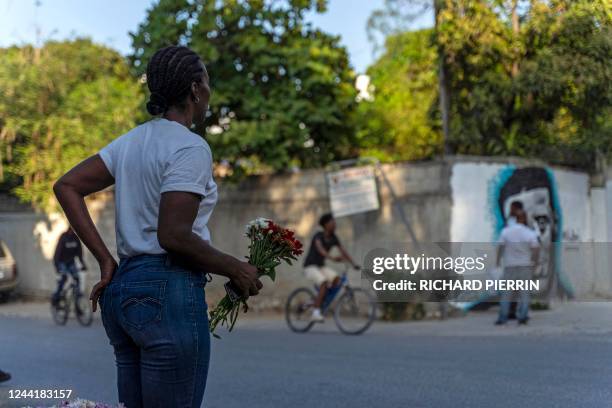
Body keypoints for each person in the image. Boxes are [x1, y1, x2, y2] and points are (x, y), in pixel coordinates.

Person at [53, 45, 262, 408]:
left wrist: (106, 260)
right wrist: (236, 268)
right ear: (196, 89)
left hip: (124, 293)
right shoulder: (191, 148)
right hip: (168, 292)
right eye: (208, 84)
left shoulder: (130, 142)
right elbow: (174, 235)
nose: (210, 94)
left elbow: (67, 185)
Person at [303, 213, 359, 322]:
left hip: (320, 267)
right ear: (326, 225)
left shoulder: (334, 238)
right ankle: (315, 313)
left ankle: (321, 299)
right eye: (332, 223)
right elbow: (321, 250)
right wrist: (332, 258)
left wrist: (353, 263)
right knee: (324, 283)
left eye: (334, 223)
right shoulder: (318, 236)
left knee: (337, 280)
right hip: (310, 267)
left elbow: (343, 251)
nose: (335, 225)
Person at [495, 210, 540, 325]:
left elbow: (500, 247)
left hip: (509, 265)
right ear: (524, 219)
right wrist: (534, 262)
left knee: (507, 293)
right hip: (525, 265)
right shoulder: (529, 233)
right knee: (524, 293)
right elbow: (535, 249)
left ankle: (503, 317)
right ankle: (523, 316)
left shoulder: (506, 232)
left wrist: (498, 261)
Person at [52, 227, 87, 304]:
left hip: (71, 263)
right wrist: (57, 266)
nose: (73, 232)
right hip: (62, 262)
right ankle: (57, 296)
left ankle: (77, 302)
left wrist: (83, 264)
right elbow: (57, 253)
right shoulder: (63, 237)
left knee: (77, 278)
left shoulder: (76, 238)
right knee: (64, 277)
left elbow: (79, 254)